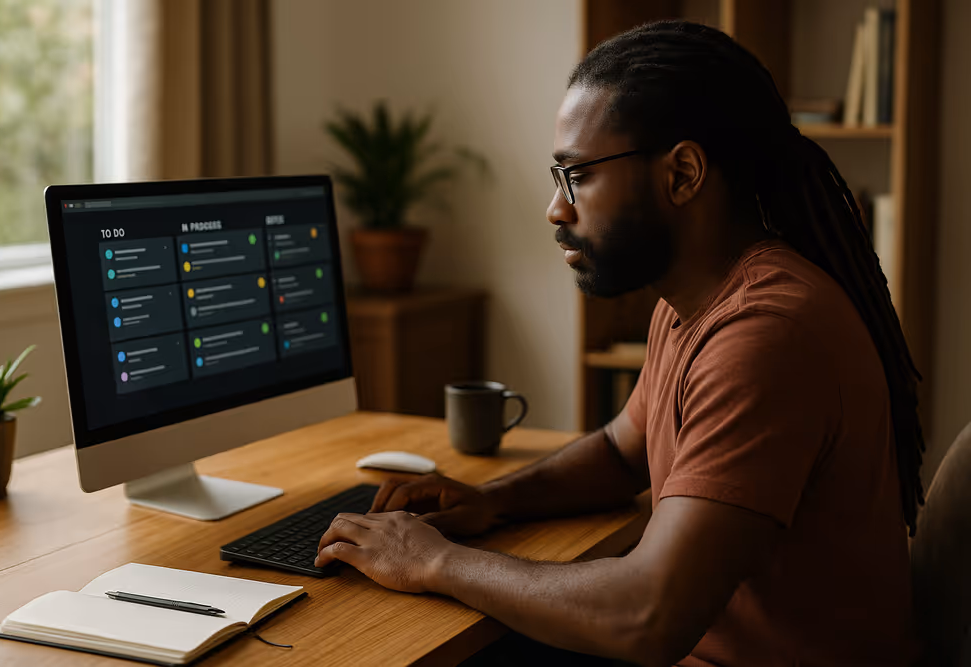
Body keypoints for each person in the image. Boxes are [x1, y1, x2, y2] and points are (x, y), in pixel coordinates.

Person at [316, 20, 924, 667]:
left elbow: (646, 615)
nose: (556, 208)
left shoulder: (766, 332)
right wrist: (493, 500)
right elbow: (619, 450)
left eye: (577, 175)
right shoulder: (691, 300)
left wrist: (435, 559)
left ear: (683, 173)